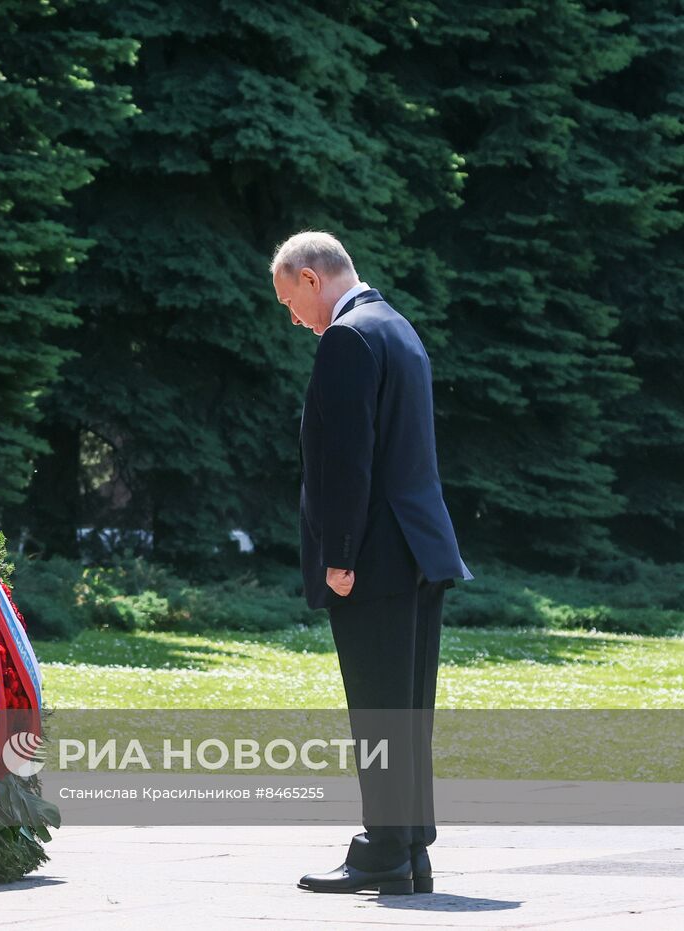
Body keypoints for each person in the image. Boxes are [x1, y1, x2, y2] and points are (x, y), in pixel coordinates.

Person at [269, 231, 471, 895]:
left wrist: (339, 555)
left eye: (290, 302)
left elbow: (347, 460)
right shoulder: (399, 328)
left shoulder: (348, 337)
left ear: (309, 278)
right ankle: (409, 847)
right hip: (420, 549)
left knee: (379, 709)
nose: (292, 319)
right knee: (408, 708)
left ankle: (383, 847)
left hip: (375, 556)